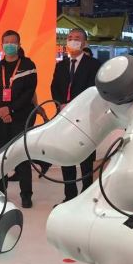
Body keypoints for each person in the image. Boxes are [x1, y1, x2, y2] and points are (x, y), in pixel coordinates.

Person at [0, 30, 38, 209]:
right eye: (6, 41)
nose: (9, 45)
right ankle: (0, 192)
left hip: (21, 117)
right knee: (0, 156)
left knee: (21, 155)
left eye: (13, 41)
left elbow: (29, 92)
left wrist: (10, 109)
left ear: (19, 44)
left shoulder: (28, 65)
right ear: (2, 45)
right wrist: (1, 110)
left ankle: (26, 194)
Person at [51, 28, 101, 203]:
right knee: (66, 157)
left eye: (77, 38)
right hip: (64, 117)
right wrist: (60, 104)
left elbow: (93, 90)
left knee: (86, 160)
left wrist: (74, 107)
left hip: (85, 119)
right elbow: (54, 87)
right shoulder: (61, 65)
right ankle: (70, 196)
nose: (73, 41)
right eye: (70, 38)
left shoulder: (94, 64)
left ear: (84, 43)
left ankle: (86, 197)